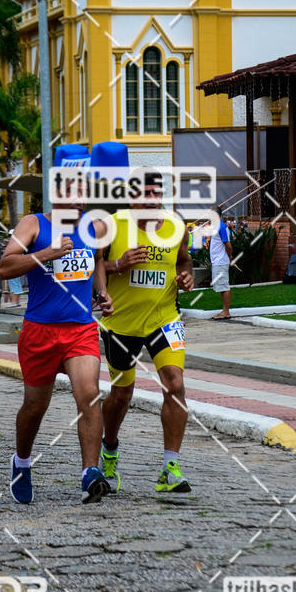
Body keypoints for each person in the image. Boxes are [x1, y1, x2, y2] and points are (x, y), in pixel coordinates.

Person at [0, 184, 113, 505]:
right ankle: (21, 462)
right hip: (39, 332)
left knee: (89, 394)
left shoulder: (95, 227)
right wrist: (47, 254)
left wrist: (102, 292)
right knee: (35, 407)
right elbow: (4, 267)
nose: (79, 200)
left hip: (81, 329)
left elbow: (99, 260)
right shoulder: (34, 224)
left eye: (83, 194)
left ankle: (90, 473)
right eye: (72, 193)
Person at [99, 171, 194, 494]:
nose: (152, 200)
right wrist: (118, 265)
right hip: (120, 324)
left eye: (157, 194)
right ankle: (109, 450)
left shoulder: (175, 227)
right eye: (145, 195)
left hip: (163, 318)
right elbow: (94, 264)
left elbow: (184, 262)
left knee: (175, 383)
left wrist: (185, 277)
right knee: (122, 394)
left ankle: (170, 467)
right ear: (130, 199)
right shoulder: (113, 225)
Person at [209, 206, 233, 320]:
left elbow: (228, 245)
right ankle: (224, 310)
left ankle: (226, 312)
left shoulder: (221, 227)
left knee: (224, 286)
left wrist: (230, 257)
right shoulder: (216, 226)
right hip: (217, 261)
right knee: (221, 287)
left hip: (221, 261)